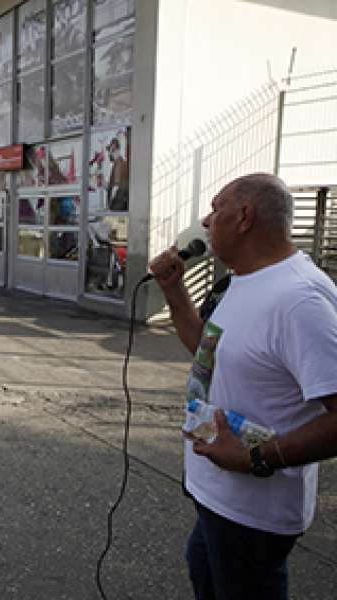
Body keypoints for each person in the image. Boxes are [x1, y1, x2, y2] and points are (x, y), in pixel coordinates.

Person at [149, 174, 337, 599]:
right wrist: (174, 291)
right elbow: (207, 353)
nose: (206, 219)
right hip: (215, 495)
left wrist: (254, 456)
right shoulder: (245, 279)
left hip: (252, 514)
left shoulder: (300, 300)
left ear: (245, 217)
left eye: (216, 209)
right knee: (205, 574)